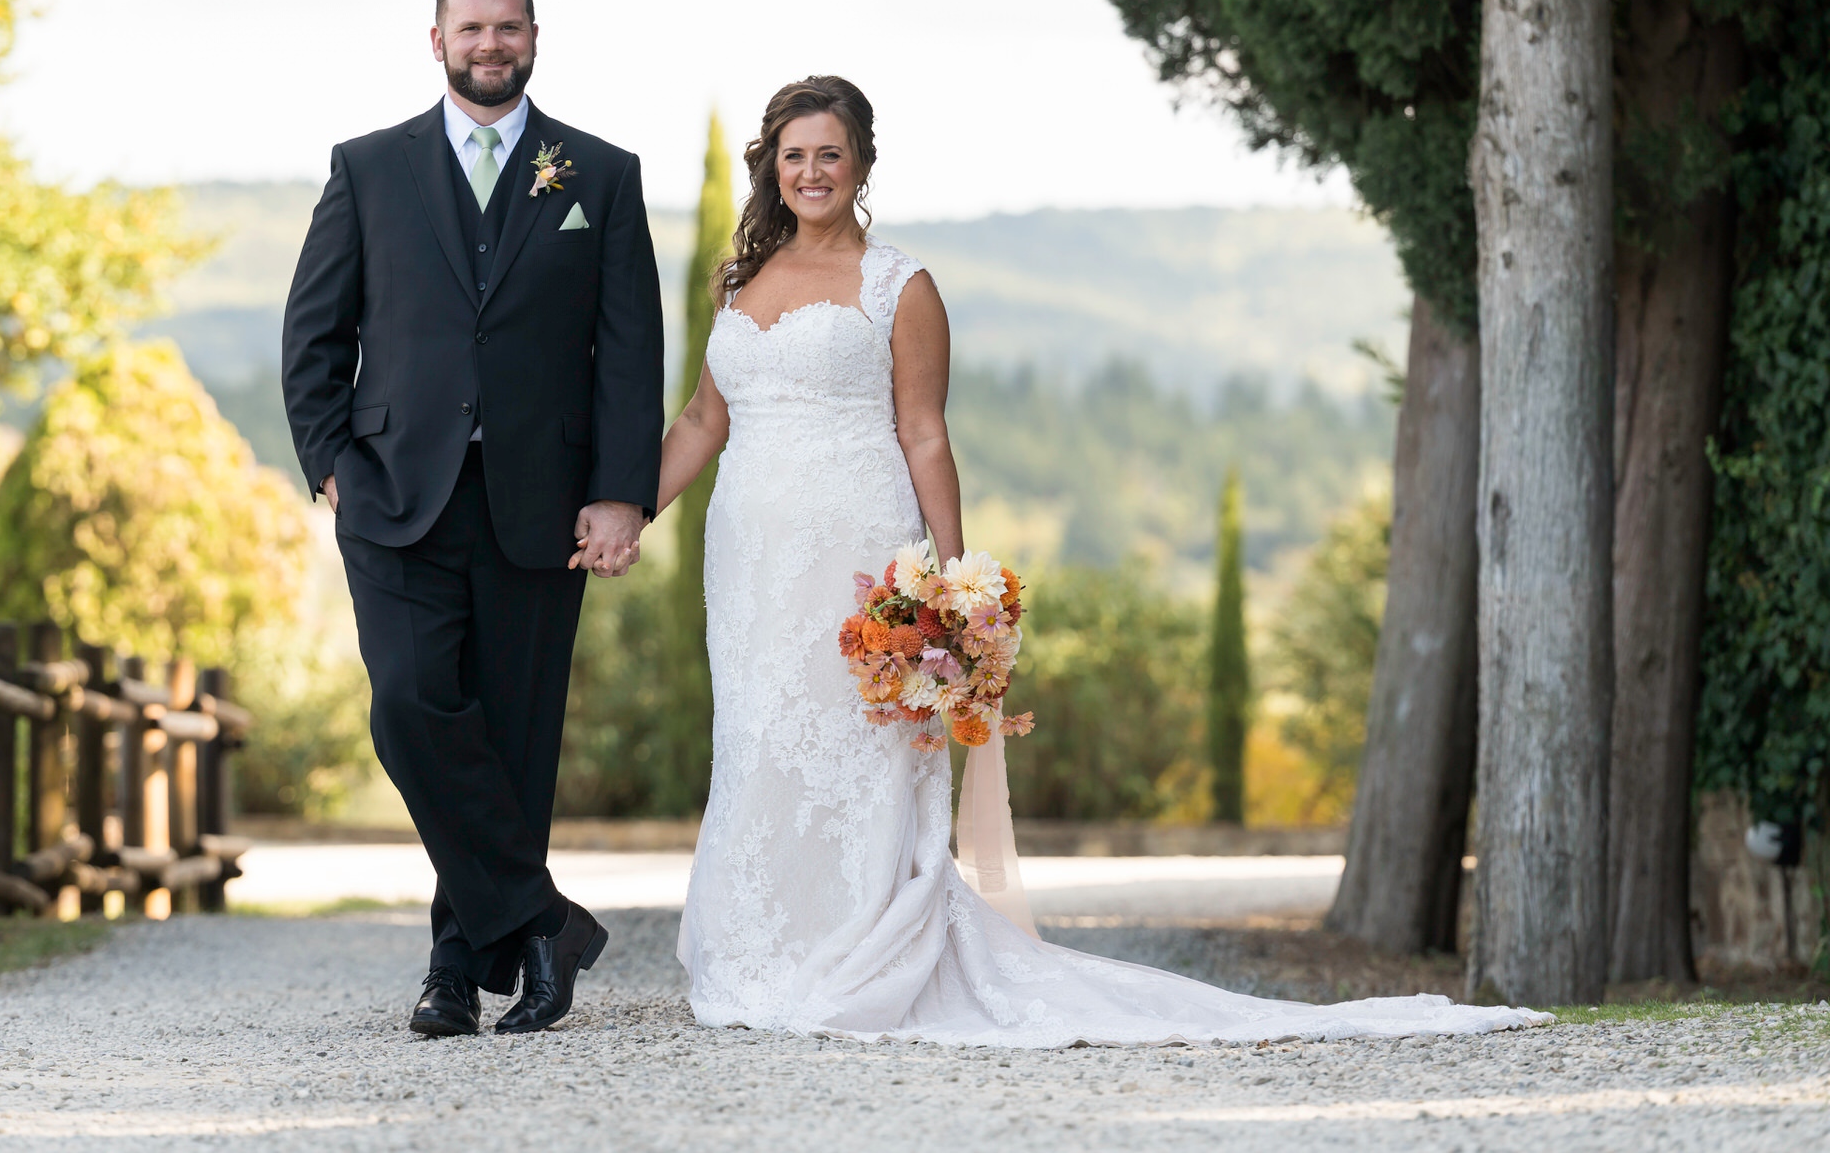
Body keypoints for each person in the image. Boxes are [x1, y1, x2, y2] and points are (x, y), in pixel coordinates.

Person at [654, 75, 1550, 1046]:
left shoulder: (899, 286)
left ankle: (856, 951)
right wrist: (629, 513)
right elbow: (701, 418)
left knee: (854, 744)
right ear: (773, 166)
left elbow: (924, 434)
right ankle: (764, 947)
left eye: (830, 153)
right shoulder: (741, 283)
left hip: (857, 555)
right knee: (758, 736)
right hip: (748, 562)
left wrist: (952, 589)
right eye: (794, 155)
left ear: (861, 163)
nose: (811, 171)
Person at [281, 0, 664, 1037]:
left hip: (541, 504)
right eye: (472, 27)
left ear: (534, 35)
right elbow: (313, 332)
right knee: (409, 705)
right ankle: (543, 920)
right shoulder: (368, 167)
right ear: (437, 38)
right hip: (394, 494)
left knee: (513, 740)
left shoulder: (600, 173)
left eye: (508, 27)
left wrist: (620, 494)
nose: (490, 44)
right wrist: (331, 463)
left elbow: (630, 350)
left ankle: (456, 971)